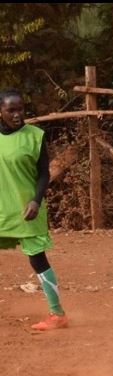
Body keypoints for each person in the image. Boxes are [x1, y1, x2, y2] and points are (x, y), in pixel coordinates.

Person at [0, 88, 68, 330]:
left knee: (37, 259)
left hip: (27, 210)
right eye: (11, 110)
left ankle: (57, 314)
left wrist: (36, 201)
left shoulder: (34, 136)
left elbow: (43, 174)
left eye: (20, 109)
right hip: (1, 210)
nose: (18, 114)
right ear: (1, 111)